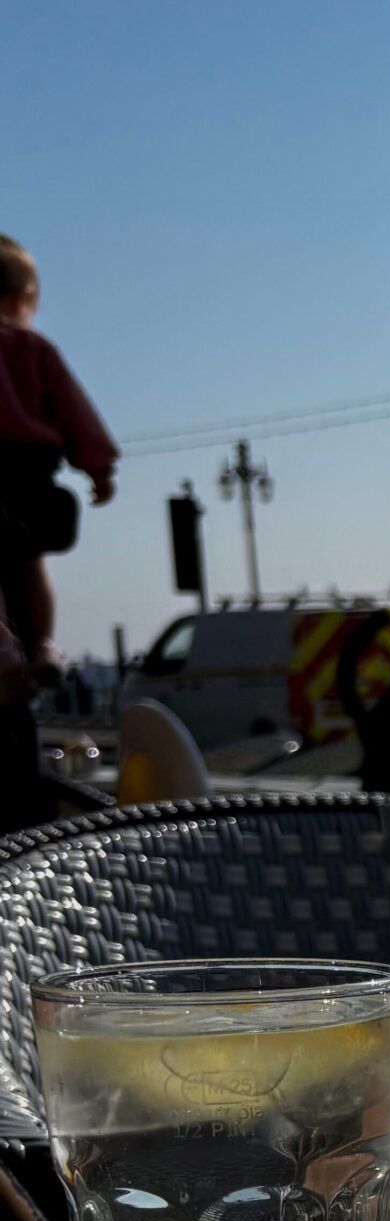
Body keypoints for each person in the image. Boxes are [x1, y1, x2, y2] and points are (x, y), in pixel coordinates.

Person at [0, 235, 117, 830]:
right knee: (27, 566)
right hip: (26, 476)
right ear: (25, 296)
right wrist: (98, 467)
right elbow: (75, 413)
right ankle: (40, 644)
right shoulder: (33, 348)